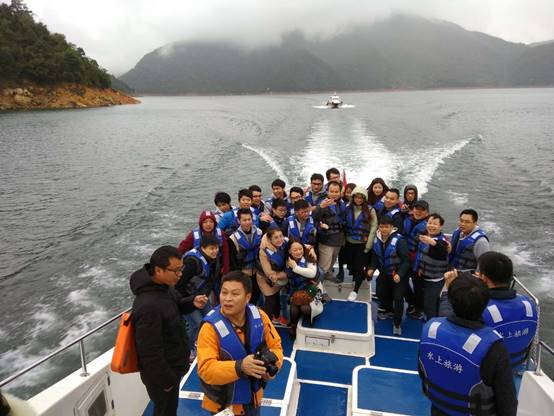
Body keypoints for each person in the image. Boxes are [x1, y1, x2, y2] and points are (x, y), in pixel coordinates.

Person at [419, 276, 517, 416]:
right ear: (485, 303)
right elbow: (507, 402)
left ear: (451, 300)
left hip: (439, 408)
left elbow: (422, 369)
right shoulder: (494, 349)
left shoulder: (430, 331)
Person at [131, 246, 207, 416]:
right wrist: (167, 381)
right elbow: (150, 353)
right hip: (163, 376)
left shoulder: (164, 287)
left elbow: (176, 305)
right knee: (165, 410)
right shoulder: (148, 307)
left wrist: (192, 302)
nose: (180, 274)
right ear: (158, 270)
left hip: (173, 366)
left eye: (181, 269)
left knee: (169, 408)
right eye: (176, 270)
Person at [197, 271, 284, 416]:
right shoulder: (209, 328)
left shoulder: (260, 316)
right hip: (224, 405)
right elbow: (206, 369)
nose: (227, 299)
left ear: (247, 297)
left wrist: (272, 368)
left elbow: (276, 346)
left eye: (235, 294)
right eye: (224, 293)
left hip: (253, 399)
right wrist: (240, 366)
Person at [440, 252, 538, 372]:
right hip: (516, 363)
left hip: (483, 369)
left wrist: (450, 289)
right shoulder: (529, 304)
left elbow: (449, 321)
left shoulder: (479, 308)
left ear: (484, 278)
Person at [176, 234, 220, 353]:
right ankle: (188, 351)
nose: (215, 251)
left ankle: (208, 344)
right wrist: (189, 300)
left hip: (200, 295)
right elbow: (179, 285)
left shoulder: (212, 259)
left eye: (216, 248)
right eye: (211, 248)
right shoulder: (192, 263)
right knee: (197, 324)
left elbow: (211, 280)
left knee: (211, 318)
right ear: (203, 248)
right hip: (186, 298)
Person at [367, 216, 409, 335]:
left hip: (398, 274)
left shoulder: (400, 241)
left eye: (386, 227)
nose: (384, 229)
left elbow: (406, 261)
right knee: (380, 292)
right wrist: (372, 268)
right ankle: (389, 310)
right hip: (385, 272)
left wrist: (400, 274)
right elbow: (375, 256)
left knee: (398, 298)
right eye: (382, 227)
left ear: (391, 227)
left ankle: (397, 323)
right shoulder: (377, 239)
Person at [344, 186, 377, 301]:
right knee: (351, 265)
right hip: (349, 243)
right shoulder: (347, 208)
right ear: (353, 197)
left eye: (361, 198)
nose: (358, 199)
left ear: (364, 199)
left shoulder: (370, 210)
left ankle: (355, 290)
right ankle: (356, 280)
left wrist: (368, 245)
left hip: (362, 244)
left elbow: (374, 228)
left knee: (359, 267)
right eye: (356, 197)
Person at [286, 240, 324, 338]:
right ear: (289, 251)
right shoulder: (287, 261)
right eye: (295, 250)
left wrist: (295, 267)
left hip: (313, 289)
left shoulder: (310, 258)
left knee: (305, 309)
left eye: (300, 249)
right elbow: (283, 240)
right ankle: (293, 326)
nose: (298, 252)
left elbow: (312, 273)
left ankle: (310, 313)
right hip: (296, 290)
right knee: (294, 306)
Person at [414, 213, 449, 320]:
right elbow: (422, 256)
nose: (431, 226)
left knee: (429, 305)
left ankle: (431, 323)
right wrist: (421, 268)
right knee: (430, 301)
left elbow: (442, 248)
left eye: (435, 224)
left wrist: (433, 242)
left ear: (440, 226)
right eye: (429, 223)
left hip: (435, 280)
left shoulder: (443, 241)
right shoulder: (426, 238)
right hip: (425, 276)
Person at [178, 210, 230, 277]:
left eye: (211, 222)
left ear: (215, 223)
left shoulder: (220, 233)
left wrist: (225, 269)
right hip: (199, 266)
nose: (208, 224)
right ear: (201, 224)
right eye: (205, 222)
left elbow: (225, 251)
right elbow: (181, 250)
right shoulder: (193, 235)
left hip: (216, 264)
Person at [312, 181, 346, 282]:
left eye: (336, 192)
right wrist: (320, 207)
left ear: (340, 192)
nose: (334, 194)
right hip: (326, 240)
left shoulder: (341, 204)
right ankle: (318, 285)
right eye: (332, 191)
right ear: (327, 191)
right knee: (324, 266)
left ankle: (329, 275)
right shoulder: (323, 203)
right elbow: (313, 217)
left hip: (338, 239)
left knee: (332, 261)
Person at [228, 208, 263, 304]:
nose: (247, 222)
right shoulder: (233, 238)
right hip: (244, 273)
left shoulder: (259, 232)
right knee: (245, 299)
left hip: (258, 271)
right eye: (244, 220)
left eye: (249, 219)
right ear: (239, 221)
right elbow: (232, 260)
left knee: (257, 296)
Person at [402, 199, 430, 319]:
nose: (418, 211)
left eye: (421, 210)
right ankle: (411, 302)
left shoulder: (429, 226)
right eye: (416, 208)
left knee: (419, 286)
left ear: (427, 212)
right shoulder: (407, 219)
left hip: (418, 262)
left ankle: (419, 308)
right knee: (402, 282)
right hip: (405, 258)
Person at [256, 228, 289, 321]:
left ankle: (277, 317)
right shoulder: (263, 251)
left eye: (281, 236)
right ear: (270, 239)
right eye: (276, 237)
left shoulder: (285, 242)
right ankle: (267, 321)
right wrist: (287, 274)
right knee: (270, 299)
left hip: (278, 275)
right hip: (265, 278)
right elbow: (268, 272)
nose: (279, 239)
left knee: (277, 296)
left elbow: (299, 245)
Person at [336, 182, 357, 281]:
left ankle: (353, 271)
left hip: (353, 234)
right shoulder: (341, 204)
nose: (349, 195)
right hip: (342, 233)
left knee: (353, 254)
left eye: (351, 193)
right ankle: (341, 271)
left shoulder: (360, 205)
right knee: (341, 253)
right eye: (347, 192)